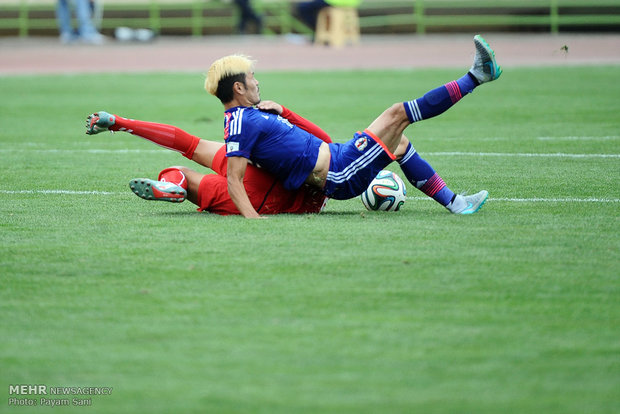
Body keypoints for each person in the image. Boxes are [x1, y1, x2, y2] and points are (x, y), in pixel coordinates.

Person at [205, 35, 501, 218]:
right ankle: (477, 76)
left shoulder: (252, 115)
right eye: (253, 77)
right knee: (398, 114)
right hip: (338, 172)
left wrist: (285, 111)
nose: (258, 81)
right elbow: (234, 177)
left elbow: (318, 138)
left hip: (338, 156)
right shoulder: (240, 122)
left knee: (400, 144)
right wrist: (252, 219)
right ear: (240, 88)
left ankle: (457, 204)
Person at [85, 101, 331, 215]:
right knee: (194, 151)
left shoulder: (239, 137)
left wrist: (121, 123)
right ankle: (175, 182)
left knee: (183, 159)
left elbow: (184, 142)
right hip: (273, 195)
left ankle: (174, 182)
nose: (256, 81)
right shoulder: (342, 163)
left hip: (252, 171)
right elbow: (326, 140)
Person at [296, 0, 361, 32]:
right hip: (352, 3)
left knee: (304, 7)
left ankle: (320, 32)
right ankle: (325, 31)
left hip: (335, 2)